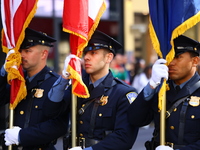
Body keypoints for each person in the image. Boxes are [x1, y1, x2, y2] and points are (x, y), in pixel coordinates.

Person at [46, 30, 139, 150]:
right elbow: (50, 110)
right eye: (85, 53)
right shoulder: (77, 87)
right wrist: (63, 78)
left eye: (94, 53)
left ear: (108, 57)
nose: (87, 57)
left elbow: (124, 138)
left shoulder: (123, 93)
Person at [0, 28, 70, 150]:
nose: (22, 55)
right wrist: (3, 73)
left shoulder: (55, 83)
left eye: (28, 51)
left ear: (43, 54)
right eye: (20, 50)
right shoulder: (17, 80)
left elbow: (59, 125)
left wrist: (22, 136)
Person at [127, 35, 200, 150]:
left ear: (195, 60)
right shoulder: (161, 90)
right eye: (168, 57)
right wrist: (151, 85)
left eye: (177, 57)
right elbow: (135, 119)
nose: (171, 62)